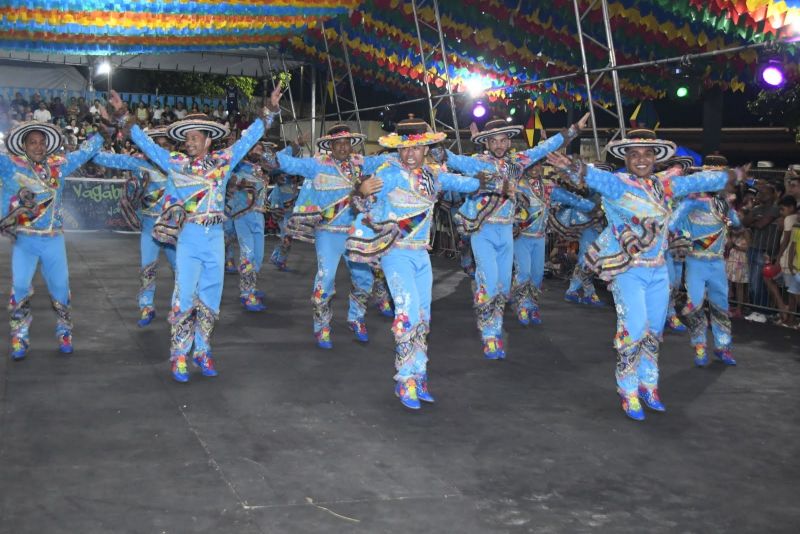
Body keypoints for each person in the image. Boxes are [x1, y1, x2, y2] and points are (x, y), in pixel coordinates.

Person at [546, 129, 749, 421]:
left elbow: (698, 180)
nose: (641, 159)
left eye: (647, 154)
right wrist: (572, 167)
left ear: (656, 158)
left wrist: (733, 176)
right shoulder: (619, 185)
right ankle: (627, 389)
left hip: (658, 270)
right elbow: (596, 178)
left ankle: (649, 384)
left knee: (654, 329)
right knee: (635, 327)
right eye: (634, 154)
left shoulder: (665, 186)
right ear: (626, 158)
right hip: (628, 270)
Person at [107, 86, 283, 382]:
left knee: (211, 297)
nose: (188, 143)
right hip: (188, 238)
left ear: (207, 139)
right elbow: (146, 144)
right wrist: (123, 113)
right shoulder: (175, 164)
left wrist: (270, 110)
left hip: (215, 238)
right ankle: (179, 354)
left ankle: (202, 350)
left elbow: (250, 137)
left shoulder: (224, 161)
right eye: (186, 139)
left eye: (194, 138)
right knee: (184, 294)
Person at [345, 116, 504, 409]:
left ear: (426, 149)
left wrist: (484, 178)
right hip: (396, 253)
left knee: (423, 318)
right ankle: (404, 380)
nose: (409, 154)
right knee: (407, 315)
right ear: (398, 149)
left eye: (416, 149)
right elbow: (364, 202)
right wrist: (360, 192)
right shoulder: (389, 173)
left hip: (421, 256)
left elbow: (465, 183)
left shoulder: (434, 175)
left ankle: (419, 376)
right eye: (404, 149)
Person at [443, 114, 588, 358]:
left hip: (507, 232)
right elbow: (455, 160)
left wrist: (572, 130)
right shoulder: (478, 162)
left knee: (501, 285)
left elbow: (544, 148)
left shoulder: (517, 163)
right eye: (494, 141)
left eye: (503, 140)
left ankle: (497, 326)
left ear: (509, 142)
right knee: (489, 282)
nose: (499, 145)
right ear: (486, 143)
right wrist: (433, 150)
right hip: (483, 231)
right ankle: (490, 334)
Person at [279, 124, 390, 349]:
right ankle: (322, 325)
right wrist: (293, 146)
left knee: (364, 279)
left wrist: (405, 146)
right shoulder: (318, 165)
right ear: (329, 146)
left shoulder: (360, 163)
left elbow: (387, 161)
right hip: (328, 233)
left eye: (346, 142)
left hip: (356, 233)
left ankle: (356, 318)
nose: (342, 146)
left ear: (351, 144)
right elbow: (286, 163)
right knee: (325, 278)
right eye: (337, 143)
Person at [0, 120, 104, 360]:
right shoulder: (10, 166)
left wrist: (107, 125)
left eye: (41, 142)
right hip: (25, 240)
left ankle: (64, 331)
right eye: (33, 142)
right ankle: (20, 336)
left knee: (60, 287)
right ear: (23, 146)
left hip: (54, 240)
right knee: (20, 287)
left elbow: (86, 151)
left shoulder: (60, 165)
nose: (38, 146)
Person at [92, 126, 177, 326]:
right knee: (147, 267)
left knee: (181, 270)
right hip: (149, 226)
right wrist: (100, 136)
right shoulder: (138, 163)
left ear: (172, 147)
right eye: (157, 144)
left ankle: (180, 308)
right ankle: (146, 307)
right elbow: (101, 159)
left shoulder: (178, 166)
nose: (161, 148)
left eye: (166, 145)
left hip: (173, 227)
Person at [511, 161, 597, 327]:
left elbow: (570, 198)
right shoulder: (518, 186)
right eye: (532, 166)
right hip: (521, 237)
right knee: (524, 273)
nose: (536, 169)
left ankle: (532, 304)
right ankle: (522, 304)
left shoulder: (548, 187)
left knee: (537, 275)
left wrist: (591, 207)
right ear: (526, 168)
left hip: (540, 237)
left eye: (539, 166)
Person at [669, 178, 741, 367]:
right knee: (695, 304)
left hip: (717, 263)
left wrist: (727, 205)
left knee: (720, 305)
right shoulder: (688, 207)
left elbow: (737, 222)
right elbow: (673, 226)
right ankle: (700, 346)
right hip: (695, 263)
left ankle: (723, 347)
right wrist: (687, 204)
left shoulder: (721, 206)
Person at [740, 181, 779, 311]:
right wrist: (755, 220)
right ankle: (756, 309)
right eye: (760, 192)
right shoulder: (757, 209)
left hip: (765, 250)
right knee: (752, 282)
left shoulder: (774, 209)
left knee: (759, 283)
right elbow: (744, 222)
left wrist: (754, 221)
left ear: (772, 195)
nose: (760, 195)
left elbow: (761, 224)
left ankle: (762, 311)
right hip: (753, 247)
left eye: (764, 193)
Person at [267, 169, 300, 271]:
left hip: (289, 215)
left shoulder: (290, 185)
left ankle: (275, 256)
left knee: (285, 238)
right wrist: (277, 214)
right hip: (284, 216)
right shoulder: (280, 187)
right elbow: (273, 201)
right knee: (287, 239)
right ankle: (281, 261)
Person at [726, 226, 751, 319]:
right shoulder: (732, 231)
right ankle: (727, 306)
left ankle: (739, 309)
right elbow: (728, 245)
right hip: (732, 258)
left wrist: (737, 246)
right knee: (729, 284)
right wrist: (728, 233)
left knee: (739, 285)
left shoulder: (746, 231)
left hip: (741, 259)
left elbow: (747, 247)